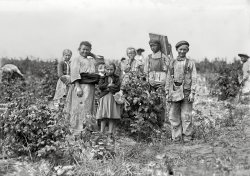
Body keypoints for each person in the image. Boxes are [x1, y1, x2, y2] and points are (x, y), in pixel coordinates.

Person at [65, 41, 99, 136]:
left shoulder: (91, 60)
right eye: (83, 49)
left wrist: (92, 54)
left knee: (88, 107)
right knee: (80, 106)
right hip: (81, 86)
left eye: (87, 49)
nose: (85, 51)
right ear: (79, 49)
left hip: (90, 87)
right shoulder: (76, 59)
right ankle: (77, 128)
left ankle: (87, 127)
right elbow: (75, 73)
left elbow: (100, 62)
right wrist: (77, 86)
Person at [165, 40, 197, 142]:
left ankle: (187, 137)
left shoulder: (190, 63)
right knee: (173, 115)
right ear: (177, 50)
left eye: (184, 49)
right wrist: (167, 92)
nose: (182, 51)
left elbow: (194, 78)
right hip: (174, 91)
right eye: (180, 49)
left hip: (187, 92)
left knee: (186, 115)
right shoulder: (172, 62)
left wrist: (193, 92)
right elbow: (168, 78)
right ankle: (176, 137)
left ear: (187, 50)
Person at [96, 63, 121, 137]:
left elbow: (117, 87)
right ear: (105, 69)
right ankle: (102, 132)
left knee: (112, 115)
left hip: (113, 97)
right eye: (108, 69)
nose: (109, 71)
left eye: (111, 69)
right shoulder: (102, 78)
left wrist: (108, 88)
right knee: (103, 116)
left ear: (114, 70)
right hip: (104, 97)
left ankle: (110, 133)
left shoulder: (116, 78)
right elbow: (100, 86)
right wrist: (109, 85)